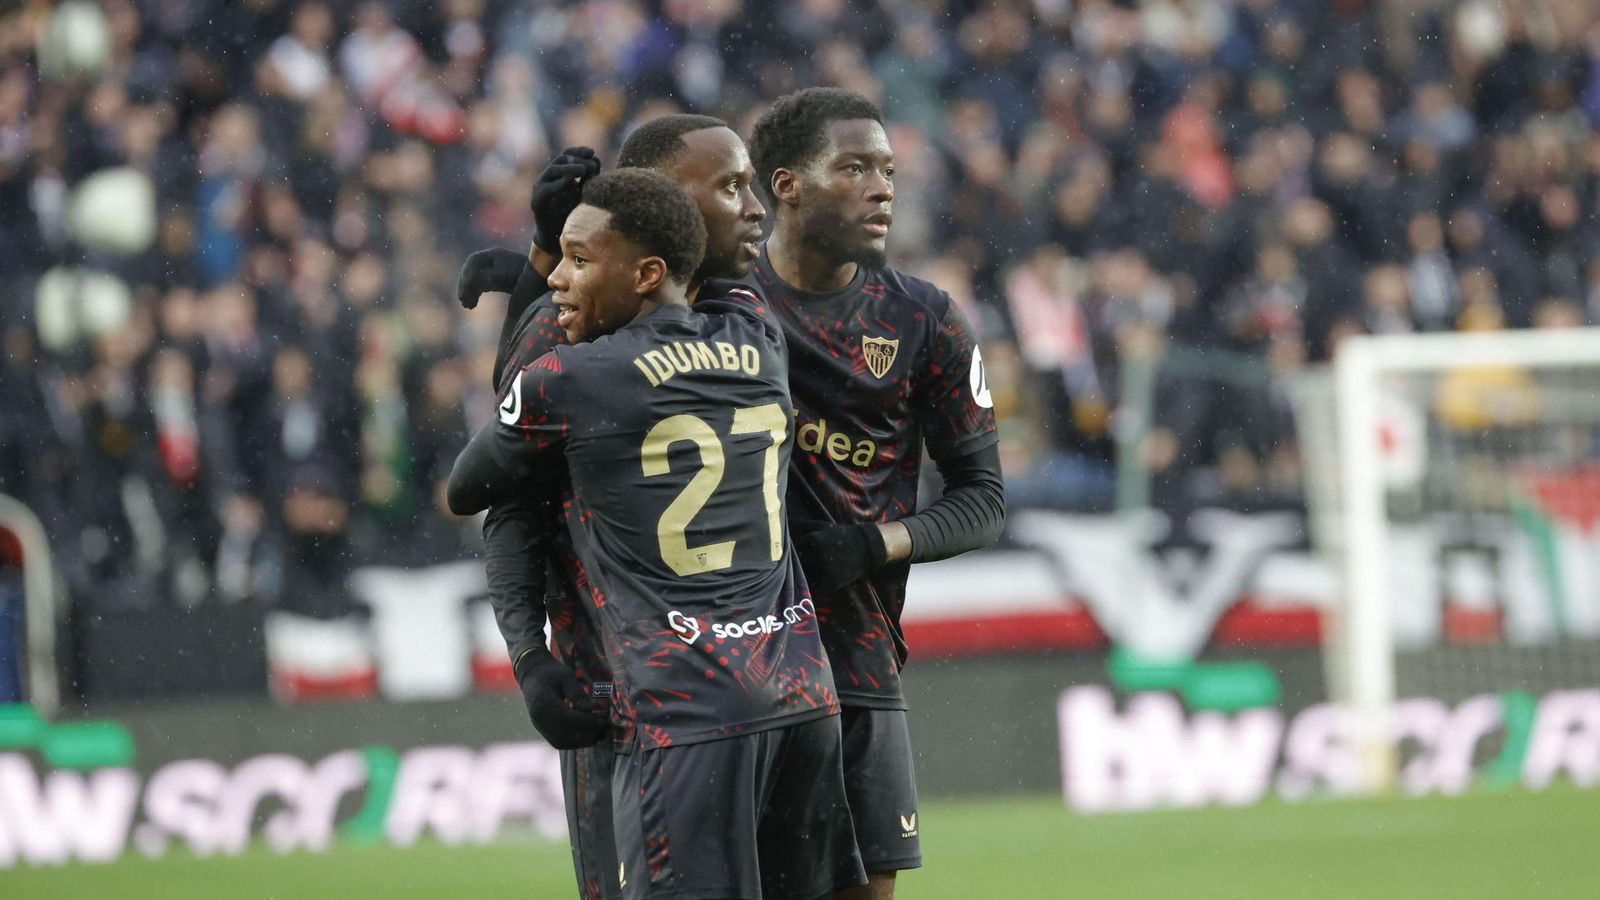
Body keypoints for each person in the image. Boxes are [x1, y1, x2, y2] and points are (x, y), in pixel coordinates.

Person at [448, 169, 864, 900]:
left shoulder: (569, 381)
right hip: (799, 693)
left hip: (679, 709)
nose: (560, 281)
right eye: (562, 260)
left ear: (646, 271)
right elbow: (717, 277)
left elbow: (471, 485)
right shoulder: (760, 337)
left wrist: (534, 273)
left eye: (580, 260)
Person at [746, 87, 1007, 900]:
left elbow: (983, 497)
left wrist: (878, 542)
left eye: (888, 169)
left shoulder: (922, 319)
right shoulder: (719, 310)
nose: (883, 187)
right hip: (729, 668)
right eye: (854, 167)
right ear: (786, 185)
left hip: (858, 663)